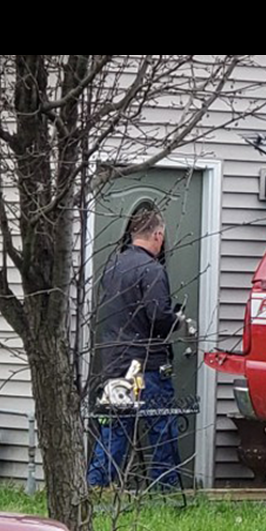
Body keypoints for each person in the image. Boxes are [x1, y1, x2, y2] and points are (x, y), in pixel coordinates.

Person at [88, 208, 183, 489]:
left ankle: (96, 487)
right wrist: (176, 319)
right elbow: (158, 318)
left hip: (114, 364)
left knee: (114, 431)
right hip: (147, 367)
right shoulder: (152, 271)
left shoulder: (112, 267)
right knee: (161, 430)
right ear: (158, 235)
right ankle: (165, 491)